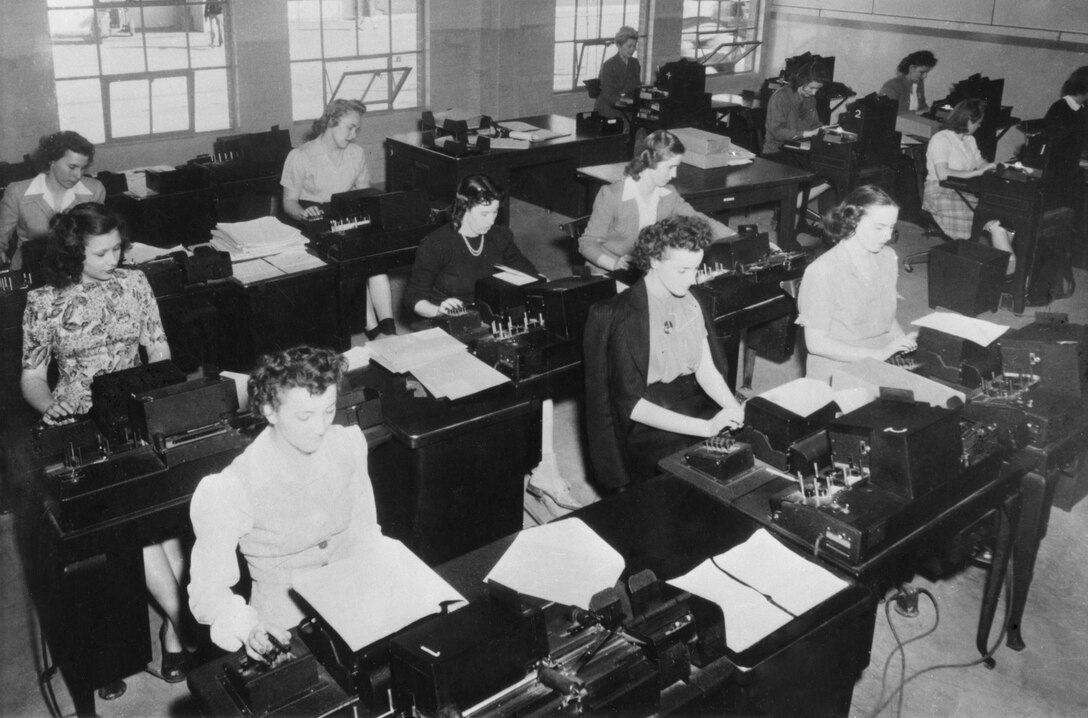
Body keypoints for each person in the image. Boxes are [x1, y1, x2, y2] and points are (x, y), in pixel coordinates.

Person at [20, 203, 192, 693]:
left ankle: (176, 630)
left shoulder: (135, 283)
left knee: (164, 522)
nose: (114, 258)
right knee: (134, 532)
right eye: (102, 252)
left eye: (118, 247)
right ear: (74, 251)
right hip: (78, 421)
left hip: (136, 411)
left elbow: (157, 346)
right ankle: (181, 626)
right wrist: (49, 406)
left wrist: (159, 389)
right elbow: (31, 378)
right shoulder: (43, 300)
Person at [189, 345, 386, 658]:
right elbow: (207, 591)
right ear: (270, 410)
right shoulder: (231, 487)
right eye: (305, 416)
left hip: (354, 602)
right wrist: (246, 627)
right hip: (283, 629)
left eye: (328, 410)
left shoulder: (347, 445)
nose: (321, 427)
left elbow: (366, 532)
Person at [585, 215, 745, 488]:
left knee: (747, 448)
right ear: (655, 261)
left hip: (691, 398)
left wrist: (732, 408)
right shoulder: (619, 315)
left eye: (695, 269)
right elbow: (630, 405)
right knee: (693, 477)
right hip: (648, 419)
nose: (691, 279)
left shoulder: (692, 300)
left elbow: (706, 368)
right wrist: (706, 428)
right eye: (682, 270)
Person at [281, 99, 396, 339]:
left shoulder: (356, 153)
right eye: (350, 127)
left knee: (376, 260)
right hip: (315, 220)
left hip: (348, 215)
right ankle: (373, 330)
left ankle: (389, 328)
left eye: (357, 129)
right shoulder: (300, 156)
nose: (354, 135)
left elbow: (364, 194)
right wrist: (305, 214)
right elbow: (289, 203)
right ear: (331, 122)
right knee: (351, 266)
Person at [796, 185, 917, 383]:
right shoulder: (823, 271)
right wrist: (880, 354)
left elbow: (884, 314)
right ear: (853, 221)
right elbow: (816, 343)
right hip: (838, 369)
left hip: (882, 356)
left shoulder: (888, 257)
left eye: (891, 227)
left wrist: (901, 341)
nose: (887, 236)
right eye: (879, 227)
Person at [578, 130, 733, 274]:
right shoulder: (612, 195)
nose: (674, 174)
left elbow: (700, 220)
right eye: (670, 167)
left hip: (644, 270)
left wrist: (734, 236)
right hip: (609, 271)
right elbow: (588, 243)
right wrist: (614, 263)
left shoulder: (669, 194)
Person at [405, 174, 538, 318]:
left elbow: (528, 272)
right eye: (484, 214)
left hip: (489, 313)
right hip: (448, 318)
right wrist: (438, 311)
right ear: (464, 207)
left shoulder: (500, 236)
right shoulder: (436, 244)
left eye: (495, 211)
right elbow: (415, 298)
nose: (491, 221)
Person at [923, 98, 1015, 268]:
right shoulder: (941, 139)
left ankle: (1002, 267)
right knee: (993, 224)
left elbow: (979, 161)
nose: (979, 125)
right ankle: (1006, 270)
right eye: (978, 122)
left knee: (1000, 217)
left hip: (962, 191)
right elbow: (943, 174)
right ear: (967, 120)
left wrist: (989, 166)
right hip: (940, 192)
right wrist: (976, 173)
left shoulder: (969, 140)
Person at [0, 131, 105, 273]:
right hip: (30, 268)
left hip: (78, 268)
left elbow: (98, 238)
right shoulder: (17, 192)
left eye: (83, 167)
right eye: (72, 167)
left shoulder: (94, 190)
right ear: (52, 161)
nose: (78, 175)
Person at [762, 61, 831, 156]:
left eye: (817, 89)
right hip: (777, 151)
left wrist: (829, 131)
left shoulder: (810, 99)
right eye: (811, 88)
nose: (814, 93)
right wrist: (806, 134)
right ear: (801, 80)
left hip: (798, 149)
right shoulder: (781, 97)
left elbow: (814, 125)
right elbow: (776, 132)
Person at [595, 26, 641, 120]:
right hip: (609, 109)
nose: (632, 49)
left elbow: (637, 88)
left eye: (634, 46)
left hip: (628, 107)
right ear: (619, 46)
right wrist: (627, 103)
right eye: (629, 46)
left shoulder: (635, 63)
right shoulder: (608, 65)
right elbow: (608, 95)